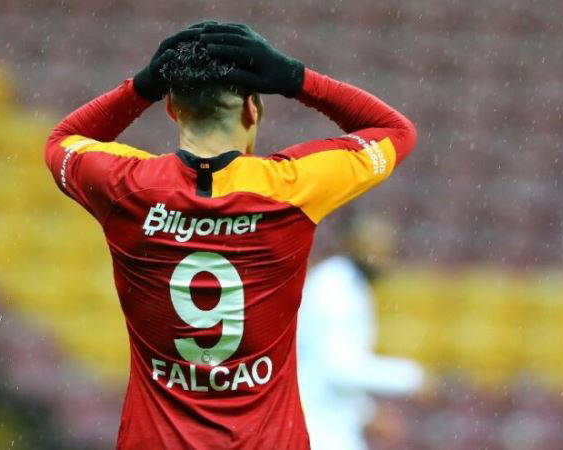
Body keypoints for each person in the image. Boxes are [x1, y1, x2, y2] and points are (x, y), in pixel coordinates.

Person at [44, 21, 416, 449]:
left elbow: (61, 141)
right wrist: (295, 78)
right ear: (251, 110)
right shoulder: (290, 187)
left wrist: (142, 86)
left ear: (171, 109)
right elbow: (395, 132)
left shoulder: (127, 187)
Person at [297, 213, 425, 450]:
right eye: (377, 248)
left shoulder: (349, 285)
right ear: (355, 244)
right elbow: (339, 368)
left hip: (330, 423)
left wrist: (367, 413)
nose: (385, 259)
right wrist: (412, 377)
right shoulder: (335, 289)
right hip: (318, 428)